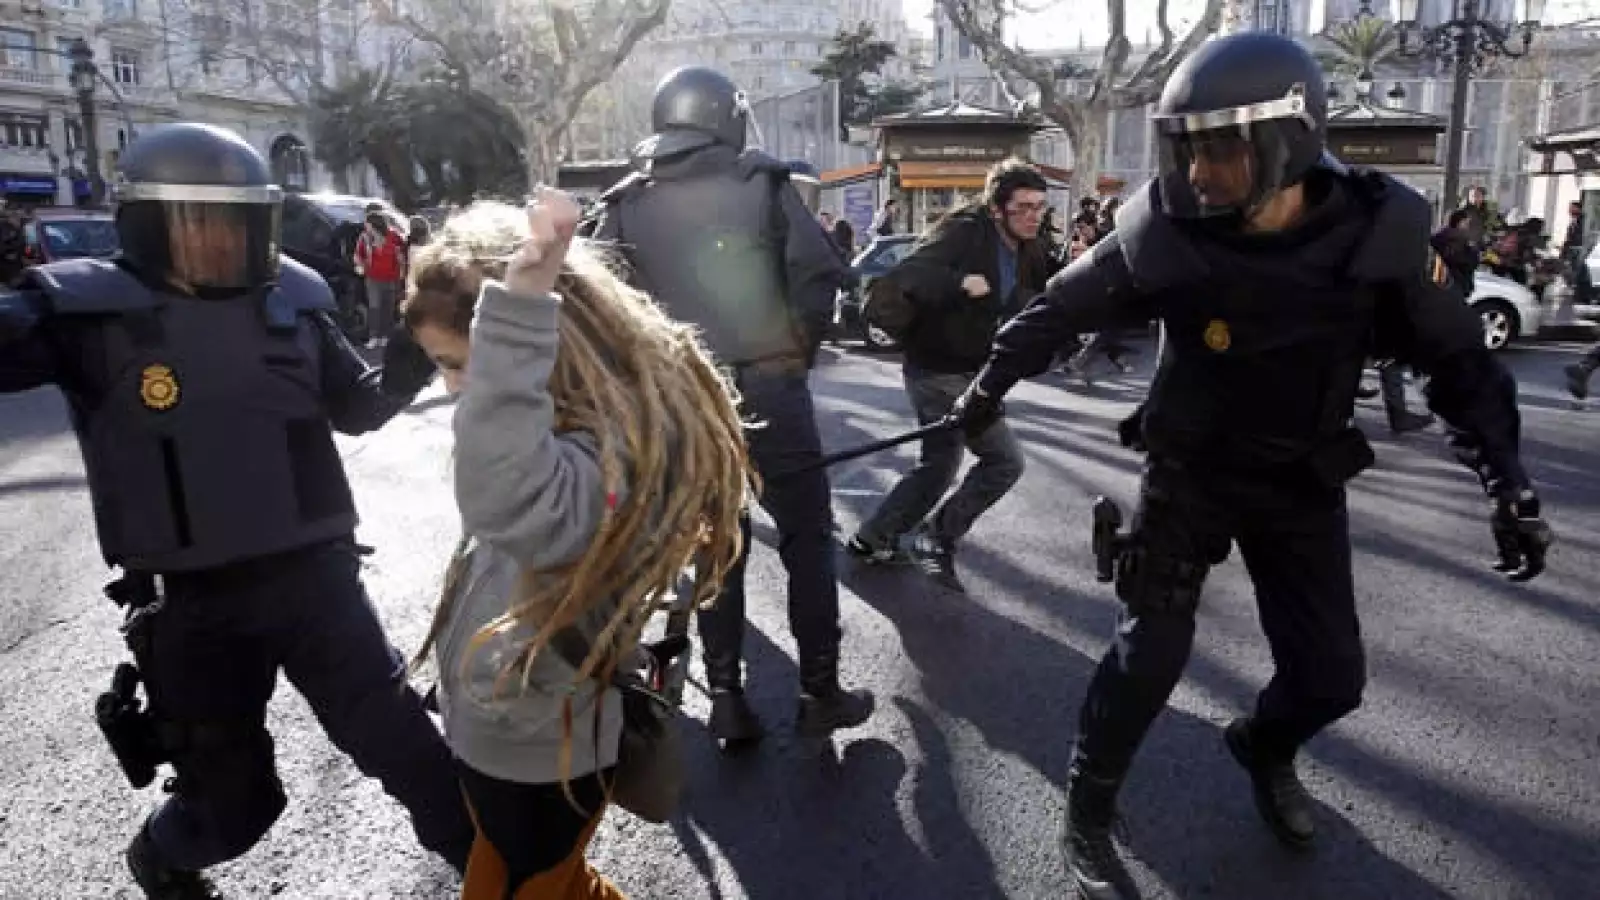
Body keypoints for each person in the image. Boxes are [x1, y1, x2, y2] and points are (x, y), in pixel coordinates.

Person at [942, 33, 1553, 899]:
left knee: (1332, 680)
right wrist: (985, 389)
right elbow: (1056, 310)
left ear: (1290, 139)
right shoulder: (1163, 228)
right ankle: (1087, 804)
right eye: (1185, 146)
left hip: (1300, 479)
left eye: (1221, 147)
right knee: (1148, 656)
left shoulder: (1380, 233)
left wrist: (1508, 480)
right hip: (1188, 473)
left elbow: (1463, 367)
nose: (1198, 172)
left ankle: (1264, 746)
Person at [0, 123, 471, 899]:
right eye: (198, 226)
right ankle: (163, 855)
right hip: (192, 608)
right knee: (236, 807)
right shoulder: (83, 312)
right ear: (150, 227)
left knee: (419, 761)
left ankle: (512, 885)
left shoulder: (294, 298)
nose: (219, 245)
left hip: (318, 583)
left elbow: (357, 407)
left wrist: (411, 359)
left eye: (236, 226)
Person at [399, 193, 754, 900]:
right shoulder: (563, 427)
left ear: (541, 346)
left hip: (539, 749)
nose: (459, 392)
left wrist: (519, 308)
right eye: (444, 367)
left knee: (540, 885)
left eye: (464, 363)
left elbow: (514, 502)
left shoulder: (604, 456)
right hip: (509, 730)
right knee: (550, 883)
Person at [588, 66, 872, 746]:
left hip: (683, 397)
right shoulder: (763, 181)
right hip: (770, 385)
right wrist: (794, 350)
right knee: (807, 539)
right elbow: (818, 275)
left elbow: (601, 310)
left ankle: (726, 697)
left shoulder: (626, 200)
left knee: (714, 547)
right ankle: (818, 690)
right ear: (725, 114)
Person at [846, 158, 1059, 588]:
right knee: (1002, 462)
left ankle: (872, 538)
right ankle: (932, 536)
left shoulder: (1029, 245)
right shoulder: (964, 230)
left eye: (1040, 207)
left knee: (939, 465)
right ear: (997, 208)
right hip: (937, 370)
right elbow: (906, 278)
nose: (1033, 216)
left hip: (977, 370)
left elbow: (1044, 291)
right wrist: (959, 284)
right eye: (1023, 208)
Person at [354, 209, 408, 349]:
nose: (365, 226)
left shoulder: (394, 236)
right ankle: (374, 337)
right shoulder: (364, 237)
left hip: (391, 277)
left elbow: (402, 255)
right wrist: (360, 265)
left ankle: (385, 336)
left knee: (388, 308)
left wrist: (402, 274)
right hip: (373, 278)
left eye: (367, 223)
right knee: (374, 307)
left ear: (374, 224)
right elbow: (357, 255)